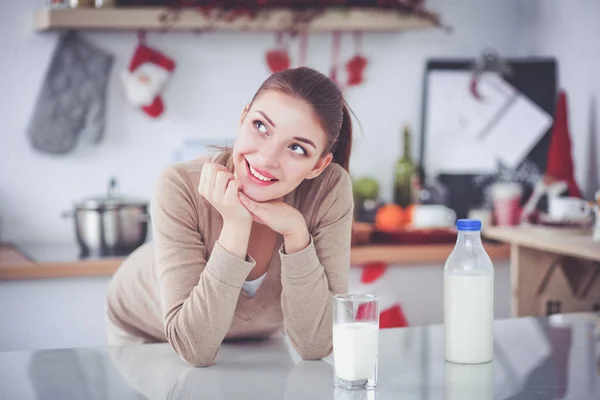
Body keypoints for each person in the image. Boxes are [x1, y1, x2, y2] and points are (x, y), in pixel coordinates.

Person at [105, 66, 355, 367]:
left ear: (318, 165)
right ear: (243, 117)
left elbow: (316, 345)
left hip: (255, 338)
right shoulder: (180, 185)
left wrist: (297, 236)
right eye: (261, 127)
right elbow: (194, 348)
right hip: (149, 335)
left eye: (297, 148)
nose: (266, 158)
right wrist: (236, 224)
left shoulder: (329, 191)